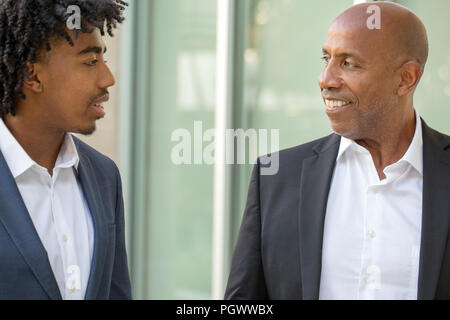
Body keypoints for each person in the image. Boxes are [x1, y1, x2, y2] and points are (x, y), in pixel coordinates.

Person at [225, 2, 450, 300]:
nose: (325, 79)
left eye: (349, 63)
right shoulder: (277, 178)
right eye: (326, 58)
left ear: (405, 79)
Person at [0, 0, 131, 299]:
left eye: (103, 59)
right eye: (89, 61)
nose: (107, 78)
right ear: (32, 76)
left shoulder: (104, 176)